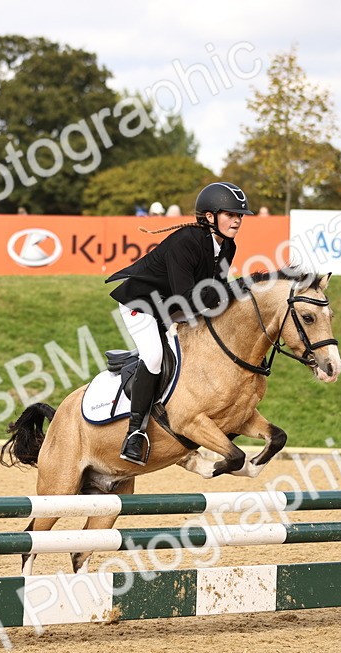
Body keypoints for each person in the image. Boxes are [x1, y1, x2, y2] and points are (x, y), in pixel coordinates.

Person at [105, 181, 254, 465]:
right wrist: (235, 288)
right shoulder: (187, 241)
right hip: (143, 305)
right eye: (231, 214)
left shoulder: (228, 246)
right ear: (209, 217)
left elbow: (214, 294)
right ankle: (135, 432)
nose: (237, 220)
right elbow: (190, 296)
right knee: (154, 356)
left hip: (175, 306)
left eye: (240, 215)